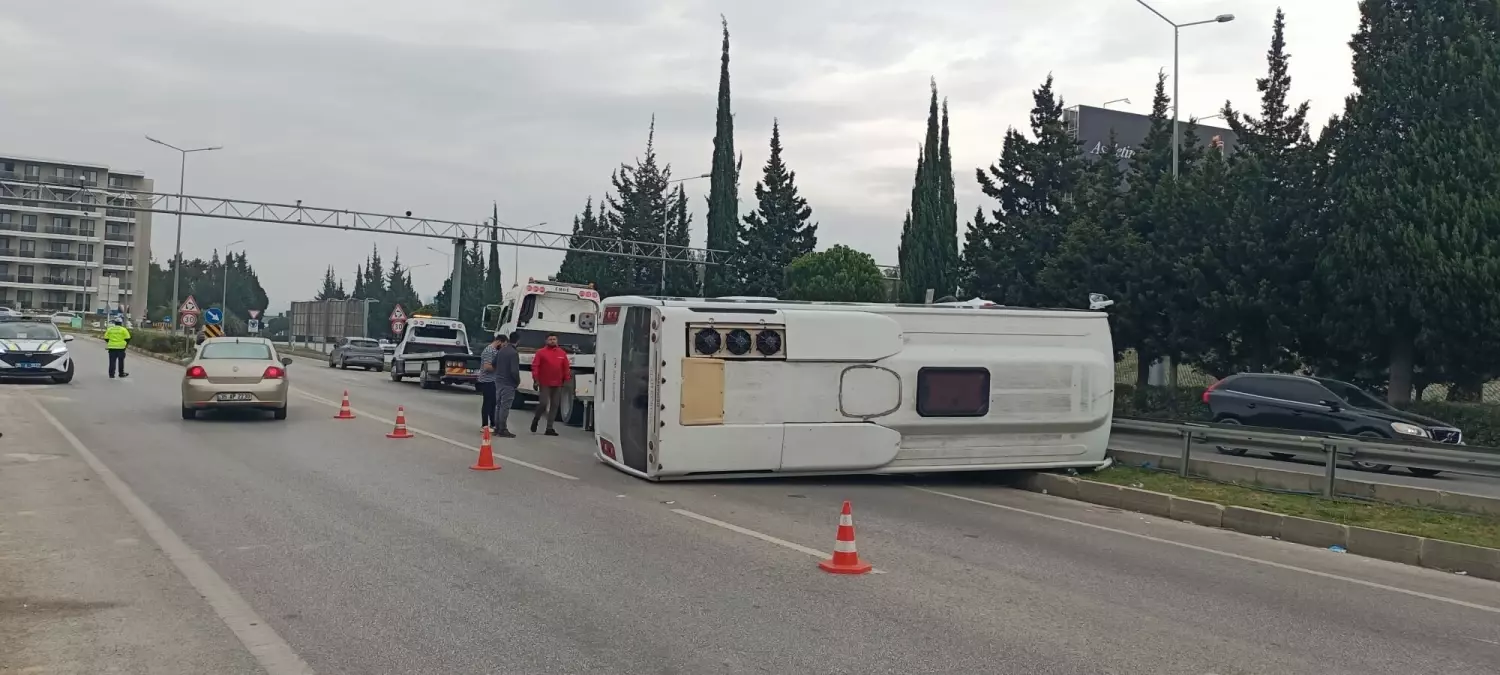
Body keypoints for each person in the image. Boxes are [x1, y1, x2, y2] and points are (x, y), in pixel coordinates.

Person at [529, 333, 572, 436]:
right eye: (550, 339)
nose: (552, 341)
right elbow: (535, 366)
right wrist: (536, 379)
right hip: (544, 382)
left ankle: (549, 428)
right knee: (543, 403)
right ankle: (536, 419)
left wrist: (567, 380)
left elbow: (566, 368)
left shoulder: (562, 353)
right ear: (546, 341)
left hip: (557, 383)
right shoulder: (541, 352)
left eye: (554, 339)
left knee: (555, 405)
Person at [493, 333, 520, 438]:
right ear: (518, 341)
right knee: (505, 406)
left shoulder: (502, 350)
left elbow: (494, 363)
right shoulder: (513, 353)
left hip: (499, 381)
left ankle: (497, 428)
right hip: (508, 383)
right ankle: (503, 429)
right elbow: (514, 371)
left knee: (498, 405)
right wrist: (517, 381)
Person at [476, 333, 504, 430]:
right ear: (499, 342)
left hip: (493, 380)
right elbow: (487, 367)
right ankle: (484, 425)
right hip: (487, 380)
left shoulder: (494, 350)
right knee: (488, 403)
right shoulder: (489, 350)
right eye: (503, 345)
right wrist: (499, 368)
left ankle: (493, 423)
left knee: (493, 403)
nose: (503, 347)